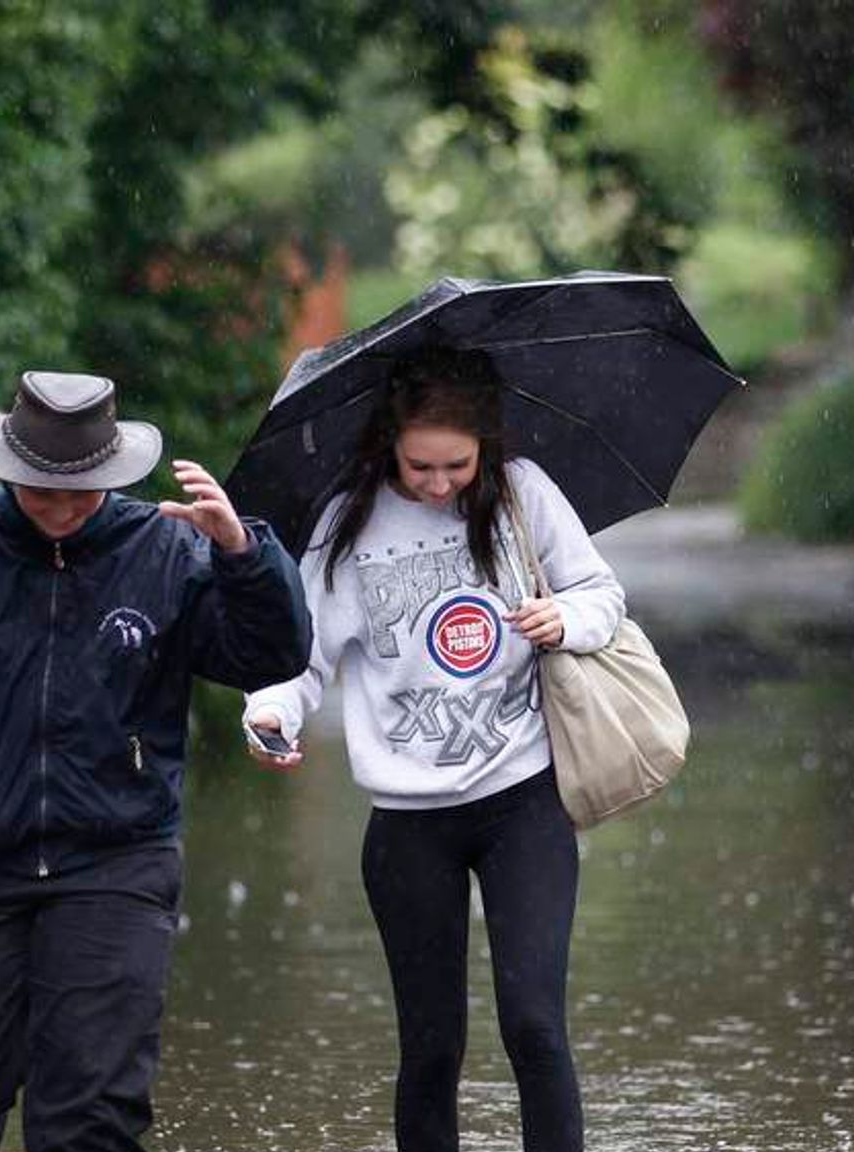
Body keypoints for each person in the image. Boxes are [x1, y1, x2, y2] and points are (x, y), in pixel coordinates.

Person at [0, 370, 311, 1152]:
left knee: (90, 1119)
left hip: (116, 862)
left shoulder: (168, 550)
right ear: (9, 473)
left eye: (81, 493)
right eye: (43, 493)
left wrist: (243, 553)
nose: (63, 510)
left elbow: (270, 651)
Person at [241, 347, 625, 1152]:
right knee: (431, 1047)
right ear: (389, 442)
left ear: (484, 444)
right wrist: (269, 713)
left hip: (524, 798)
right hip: (408, 820)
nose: (440, 483)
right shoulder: (347, 523)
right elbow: (300, 660)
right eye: (421, 465)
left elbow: (601, 594)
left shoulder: (524, 494)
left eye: (457, 464)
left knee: (535, 1028)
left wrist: (567, 622)